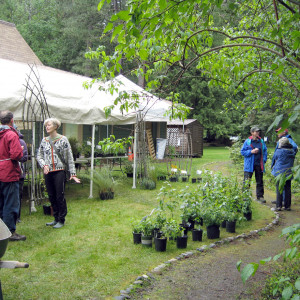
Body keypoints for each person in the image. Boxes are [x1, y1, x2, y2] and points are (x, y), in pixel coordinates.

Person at [36, 118, 80, 229]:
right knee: (51, 195)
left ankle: (61, 219)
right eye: (46, 125)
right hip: (48, 172)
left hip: (59, 172)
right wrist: (44, 165)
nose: (47, 127)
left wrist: (73, 174)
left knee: (59, 195)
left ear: (55, 126)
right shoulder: (44, 140)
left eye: (49, 125)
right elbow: (39, 156)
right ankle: (55, 218)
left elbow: (69, 157)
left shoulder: (63, 139)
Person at [0, 111, 26, 241]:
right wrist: (20, 150)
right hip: (9, 173)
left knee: (1, 203)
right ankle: (10, 232)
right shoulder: (11, 134)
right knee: (10, 204)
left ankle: (1, 233)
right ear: (11, 120)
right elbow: (16, 155)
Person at [241, 126, 268, 203]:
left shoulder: (261, 141)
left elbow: (265, 151)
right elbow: (242, 152)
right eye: (256, 131)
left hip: (259, 164)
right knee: (247, 180)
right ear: (252, 133)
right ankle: (245, 196)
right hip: (249, 165)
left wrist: (264, 160)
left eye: (258, 131)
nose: (257, 133)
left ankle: (260, 196)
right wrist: (251, 152)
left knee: (259, 181)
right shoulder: (247, 142)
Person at [271, 137, 295, 211]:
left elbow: (274, 159)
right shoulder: (292, 151)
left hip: (279, 173)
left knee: (279, 188)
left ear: (281, 143)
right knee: (288, 189)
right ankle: (287, 206)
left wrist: (272, 167)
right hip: (288, 172)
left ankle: (278, 206)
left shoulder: (279, 151)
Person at [13, 124, 28, 223]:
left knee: (18, 195)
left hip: (19, 173)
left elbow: (25, 157)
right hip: (6, 173)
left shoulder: (21, 142)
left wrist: (16, 155)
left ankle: (17, 217)